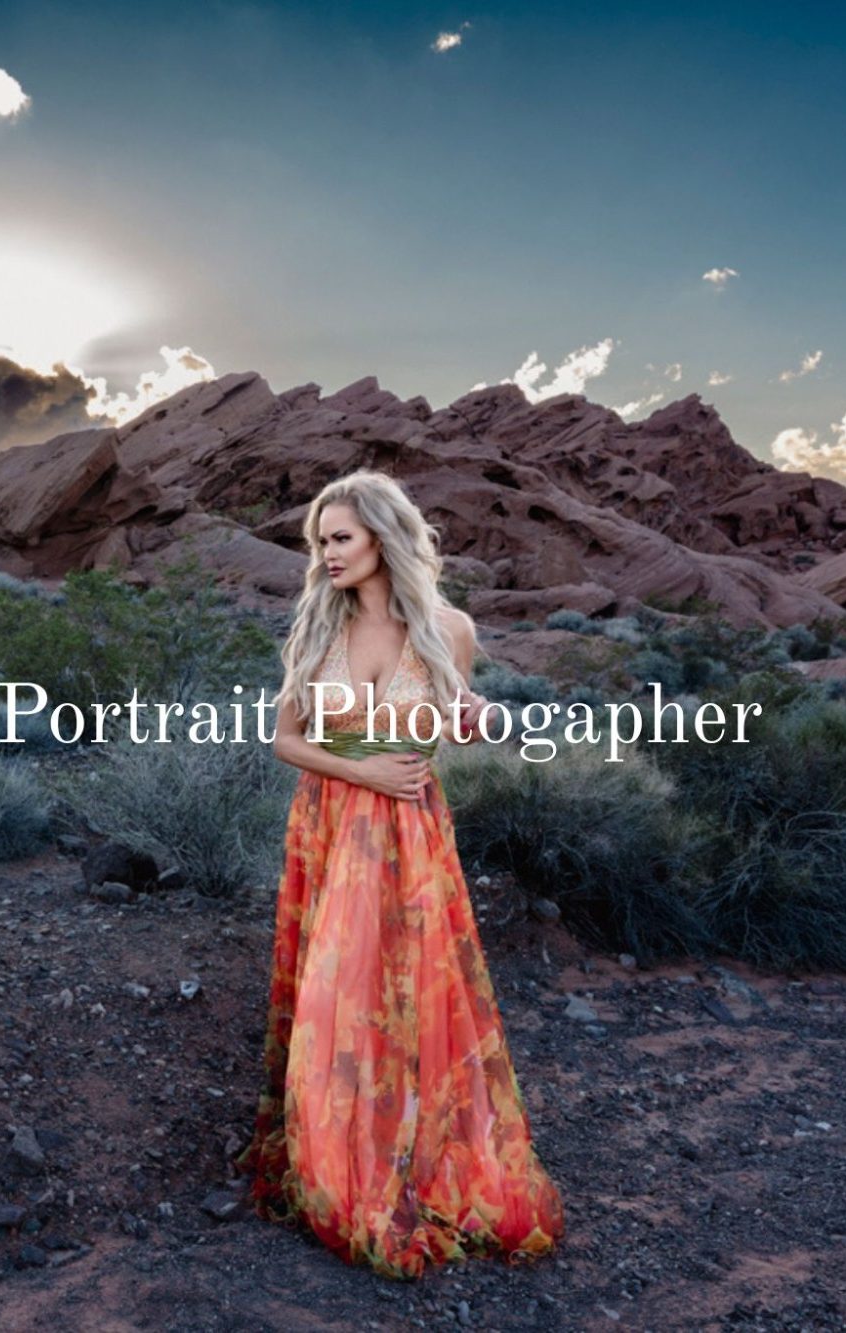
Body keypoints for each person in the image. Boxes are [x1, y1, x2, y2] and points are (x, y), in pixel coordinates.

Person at [233, 469, 566, 1279]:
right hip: (335, 826)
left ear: (382, 536)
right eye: (320, 540)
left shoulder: (449, 628)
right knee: (337, 996)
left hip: (415, 834)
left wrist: (479, 718)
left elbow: (455, 715)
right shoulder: (317, 625)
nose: (326, 553)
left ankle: (415, 1158)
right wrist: (364, 773)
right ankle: (337, 1166)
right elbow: (283, 740)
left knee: (413, 995)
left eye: (339, 536)